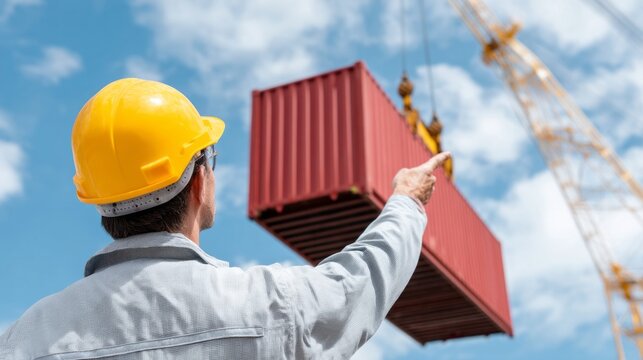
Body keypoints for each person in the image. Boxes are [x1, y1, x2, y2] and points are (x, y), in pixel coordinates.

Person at [0, 78, 450, 359]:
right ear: (199, 182)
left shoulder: (21, 339)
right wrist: (407, 200)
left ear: (97, 198)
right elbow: (365, 277)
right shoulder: (271, 305)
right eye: (208, 158)